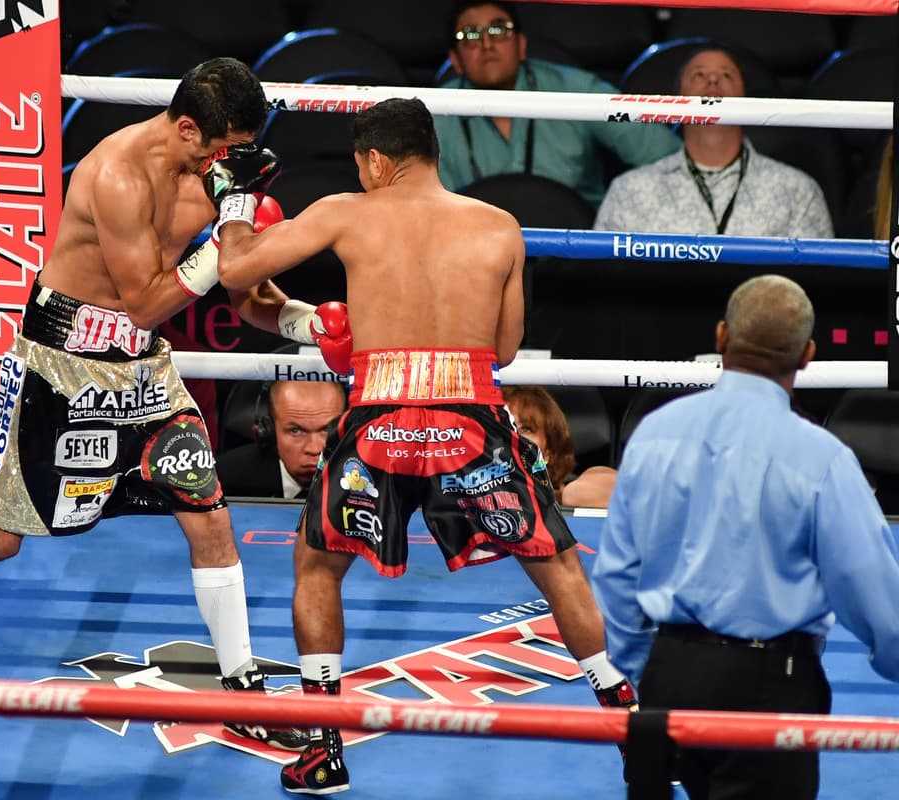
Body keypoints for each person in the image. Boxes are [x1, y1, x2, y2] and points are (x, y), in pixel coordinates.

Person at [0, 58, 350, 753]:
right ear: (187, 128)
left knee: (210, 518)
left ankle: (242, 687)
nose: (231, 165)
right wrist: (222, 236)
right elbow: (150, 297)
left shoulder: (216, 173)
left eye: (241, 152)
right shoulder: (117, 174)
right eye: (223, 150)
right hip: (62, 369)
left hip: (145, 373)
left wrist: (309, 325)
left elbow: (244, 292)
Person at [215, 97, 637, 795]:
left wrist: (234, 201)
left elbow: (236, 274)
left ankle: (323, 749)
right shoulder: (500, 226)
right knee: (556, 564)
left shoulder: (346, 211)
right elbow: (502, 349)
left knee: (317, 568)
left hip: (379, 416)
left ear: (375, 160)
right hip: (469, 415)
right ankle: (626, 717)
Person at [592, 275, 899, 799]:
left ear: (720, 337)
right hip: (770, 683)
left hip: (671, 678)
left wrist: (650, 668)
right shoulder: (822, 459)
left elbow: (617, 572)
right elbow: (870, 590)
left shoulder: (655, 435)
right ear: (806, 355)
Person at [433, 1, 678, 207]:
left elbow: (665, 155)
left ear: (521, 45)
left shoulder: (575, 89)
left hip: (577, 252)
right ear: (455, 59)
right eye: (471, 35)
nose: (487, 44)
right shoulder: (434, 111)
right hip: (470, 254)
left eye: (499, 30)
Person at [595, 45, 834, 238]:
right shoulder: (629, 190)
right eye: (698, 74)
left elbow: (816, 284)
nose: (712, 81)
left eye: (727, 75)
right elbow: (605, 281)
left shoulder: (797, 190)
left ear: (745, 97)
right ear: (678, 96)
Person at [217, 379, 348, 499]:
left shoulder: (364, 480)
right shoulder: (224, 480)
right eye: (295, 431)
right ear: (271, 431)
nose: (314, 449)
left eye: (327, 429)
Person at [503, 385, 616, 508]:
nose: (513, 436)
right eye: (503, 427)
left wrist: (555, 498)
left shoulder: (573, 489)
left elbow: (627, 491)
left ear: (549, 451)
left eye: (526, 429)